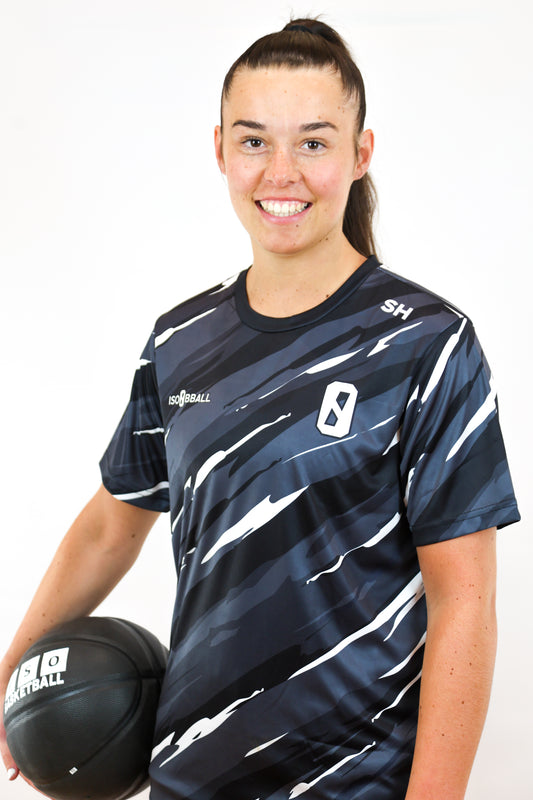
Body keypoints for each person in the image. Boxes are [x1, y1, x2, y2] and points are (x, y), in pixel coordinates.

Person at [1, 17, 520, 800]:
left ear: (360, 154)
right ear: (220, 151)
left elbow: (464, 601)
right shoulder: (178, 342)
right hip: (190, 779)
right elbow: (111, 523)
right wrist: (14, 668)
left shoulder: (426, 344)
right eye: (253, 141)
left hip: (356, 784)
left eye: (312, 142)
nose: (281, 172)